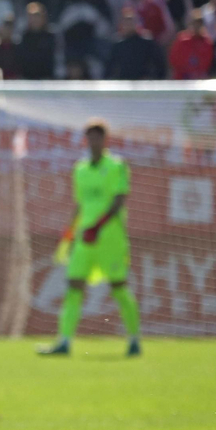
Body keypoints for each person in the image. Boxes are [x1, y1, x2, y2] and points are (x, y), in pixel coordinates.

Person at [39, 121, 141, 357]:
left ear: (105, 140)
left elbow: (118, 202)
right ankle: (64, 342)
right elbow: (80, 205)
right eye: (89, 137)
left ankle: (134, 340)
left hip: (110, 238)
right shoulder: (80, 169)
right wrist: (69, 234)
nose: (93, 142)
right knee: (73, 286)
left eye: (97, 137)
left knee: (118, 288)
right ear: (85, 140)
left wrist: (97, 227)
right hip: (85, 238)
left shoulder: (117, 166)